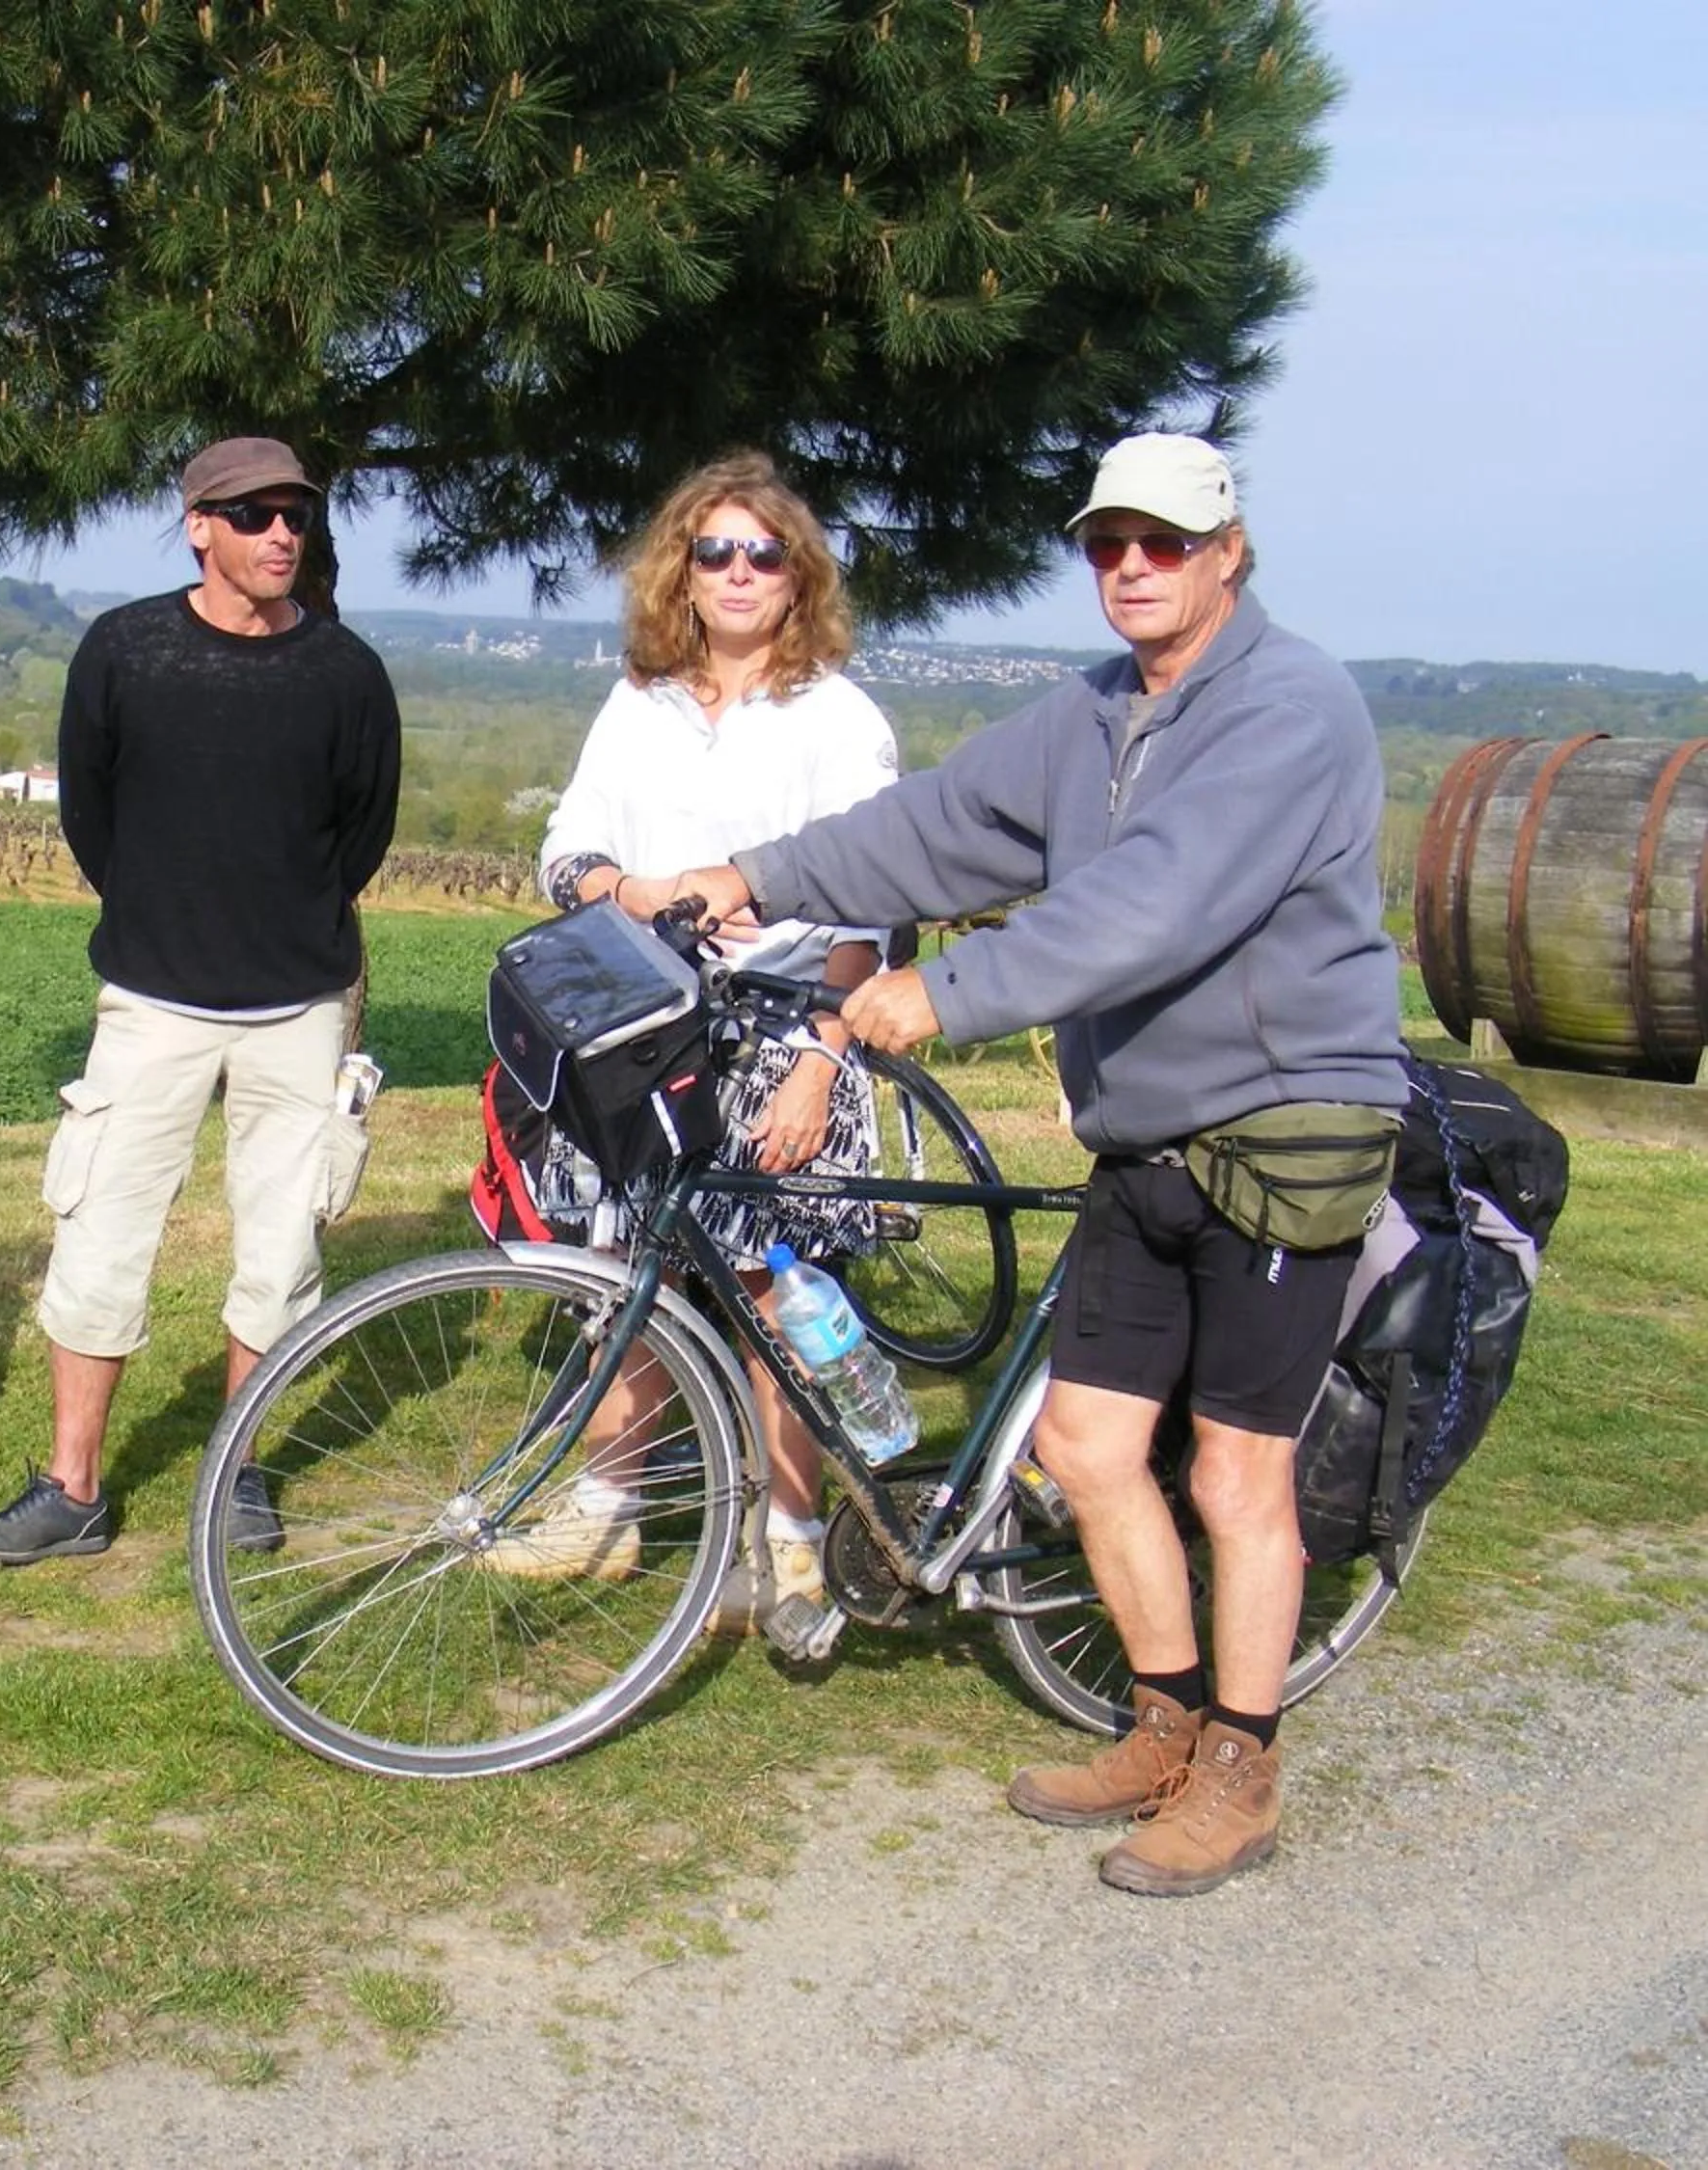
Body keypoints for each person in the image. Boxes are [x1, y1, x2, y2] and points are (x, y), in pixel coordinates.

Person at [671, 433, 1405, 1895]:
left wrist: (946, 994)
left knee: (1243, 1477)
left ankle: (1241, 1770)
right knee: (1085, 1444)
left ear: (1229, 551)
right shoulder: (1091, 715)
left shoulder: (1290, 708)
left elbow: (1160, 899)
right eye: (1107, 542)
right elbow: (934, 828)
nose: (1133, 566)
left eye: (1166, 542)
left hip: (1287, 1125)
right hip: (1147, 1125)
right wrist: (758, 874)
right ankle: (1162, 1719)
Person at [471, 450, 900, 1655]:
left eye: (764, 552)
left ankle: (792, 1553)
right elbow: (565, 846)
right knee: (626, 1275)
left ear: (799, 571)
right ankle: (610, 1506)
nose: (740, 572)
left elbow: (872, 919)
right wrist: (622, 884)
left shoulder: (837, 719)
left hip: (782, 1030)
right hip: (643, 1026)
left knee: (778, 1294)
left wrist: (822, 1061)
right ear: (684, 571)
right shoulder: (640, 700)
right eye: (715, 551)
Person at [0, 437, 402, 1565]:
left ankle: (238, 1471)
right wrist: (167, 917)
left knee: (281, 1250)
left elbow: (364, 834)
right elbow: (91, 819)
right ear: (198, 525)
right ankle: (73, 1489)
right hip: (151, 1000)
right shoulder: (125, 651)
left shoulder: (347, 674)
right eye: (253, 515)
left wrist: (281, 925)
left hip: (299, 1006)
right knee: (101, 1231)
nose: (281, 537)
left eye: (296, 516)